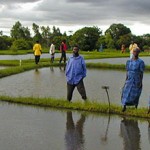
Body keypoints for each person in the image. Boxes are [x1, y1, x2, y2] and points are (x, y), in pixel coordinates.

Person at [121, 48, 145, 112]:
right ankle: (124, 106)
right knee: (125, 92)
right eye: (134, 51)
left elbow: (141, 72)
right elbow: (127, 71)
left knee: (136, 93)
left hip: (136, 79)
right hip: (129, 79)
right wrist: (126, 79)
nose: (135, 53)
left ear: (138, 53)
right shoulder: (129, 61)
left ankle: (135, 106)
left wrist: (140, 81)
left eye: (137, 52)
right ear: (132, 52)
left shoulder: (141, 62)